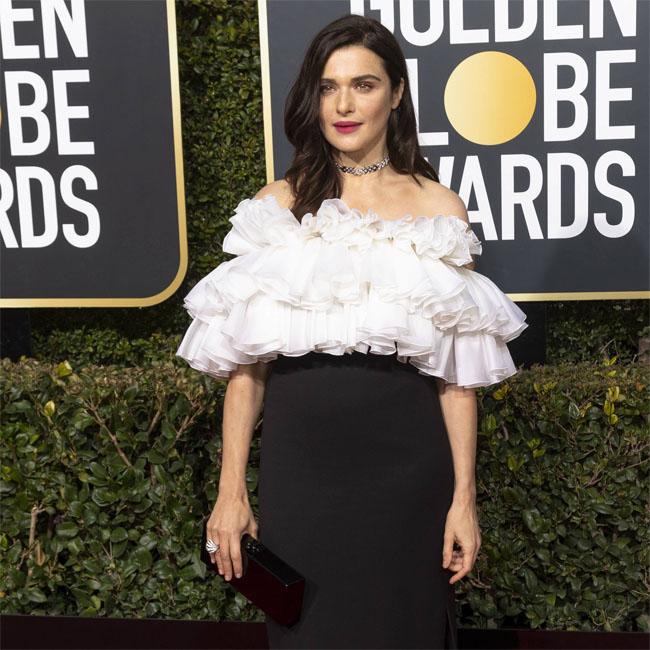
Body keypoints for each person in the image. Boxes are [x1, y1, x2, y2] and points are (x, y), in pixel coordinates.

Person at [176, 13, 528, 650]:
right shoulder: (278, 207)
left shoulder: (438, 209)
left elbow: (458, 378)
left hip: (408, 482)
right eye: (328, 87)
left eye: (363, 85)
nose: (343, 105)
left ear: (396, 93)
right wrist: (231, 492)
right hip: (301, 481)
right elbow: (246, 371)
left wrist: (463, 499)